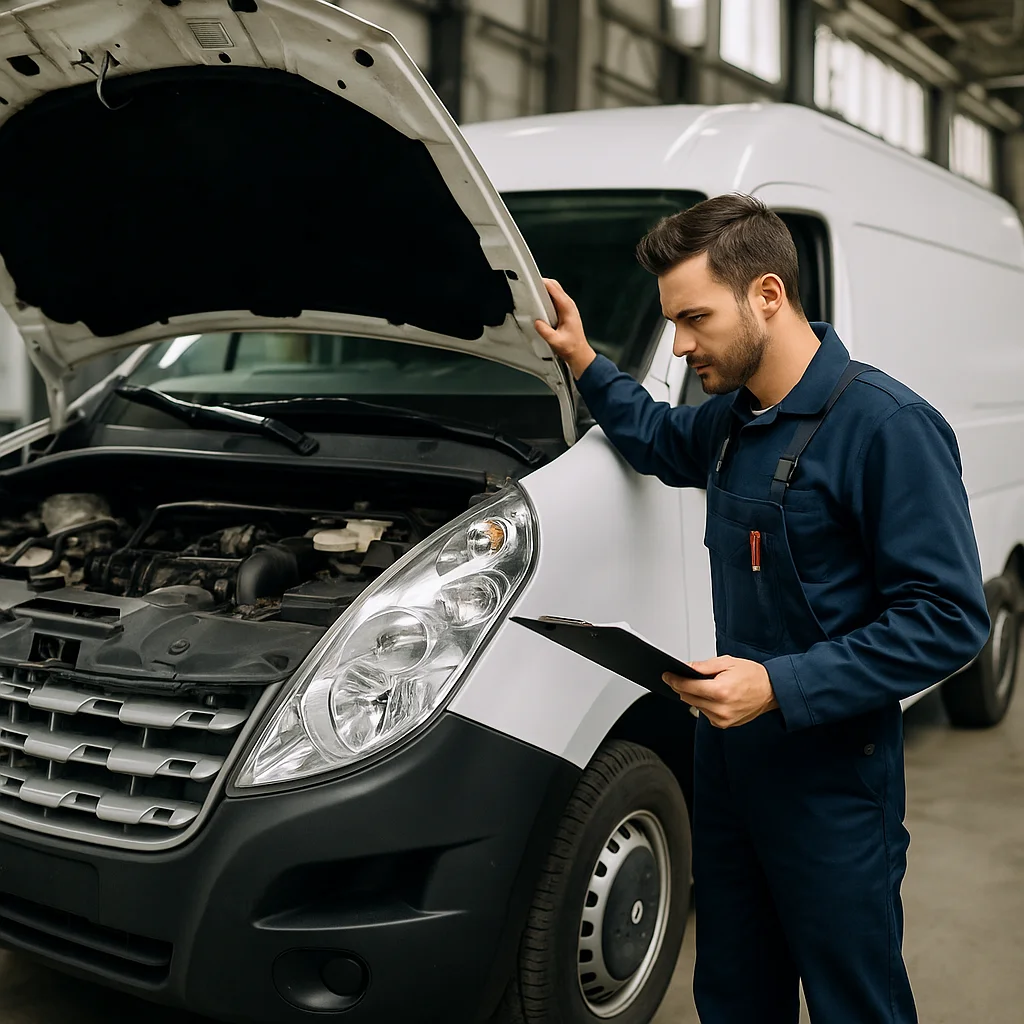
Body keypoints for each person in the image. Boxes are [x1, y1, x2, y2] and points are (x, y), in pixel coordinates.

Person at [534, 193, 990, 1024]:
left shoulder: (886, 428)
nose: (680, 344)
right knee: (737, 995)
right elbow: (656, 435)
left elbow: (949, 618)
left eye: (695, 318)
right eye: (673, 321)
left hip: (832, 781)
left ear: (768, 296)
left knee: (857, 1003)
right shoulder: (736, 421)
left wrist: (778, 686)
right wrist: (585, 361)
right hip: (730, 769)